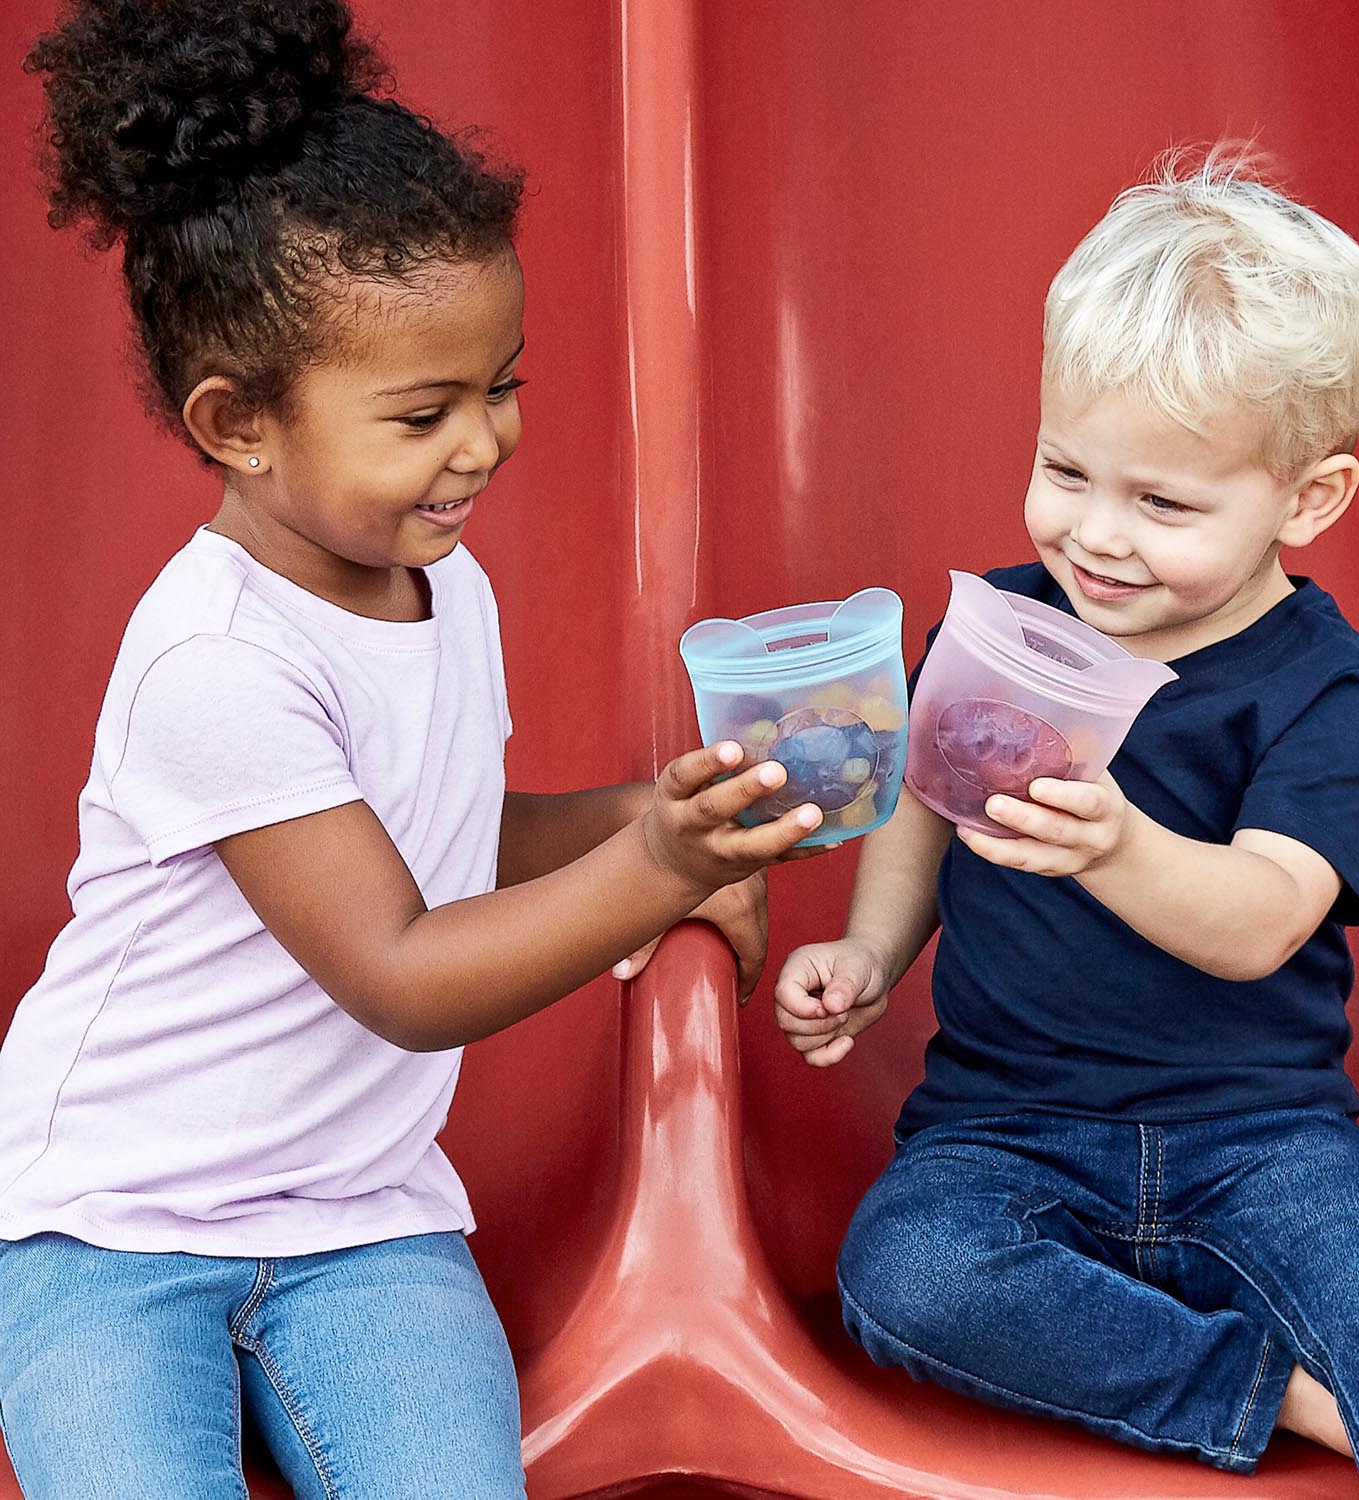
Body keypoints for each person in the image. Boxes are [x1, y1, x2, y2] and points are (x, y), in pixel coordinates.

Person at [0, 2, 826, 1495]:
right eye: (422, 412)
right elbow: (400, 974)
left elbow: (440, 836)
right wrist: (652, 871)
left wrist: (651, 816)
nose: (485, 443)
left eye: (501, 384)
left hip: (364, 1218)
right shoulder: (217, 662)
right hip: (112, 1228)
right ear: (238, 422)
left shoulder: (446, 583)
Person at [774, 150, 1359, 1497]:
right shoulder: (1001, 625)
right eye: (1067, 471)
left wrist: (1115, 844)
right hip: (1003, 1131)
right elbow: (926, 810)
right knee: (906, 1272)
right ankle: (1265, 1394)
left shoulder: (1330, 690)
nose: (1095, 537)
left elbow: (1260, 920)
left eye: (1164, 503)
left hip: (1264, 1138)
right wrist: (874, 956)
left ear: (1307, 499)